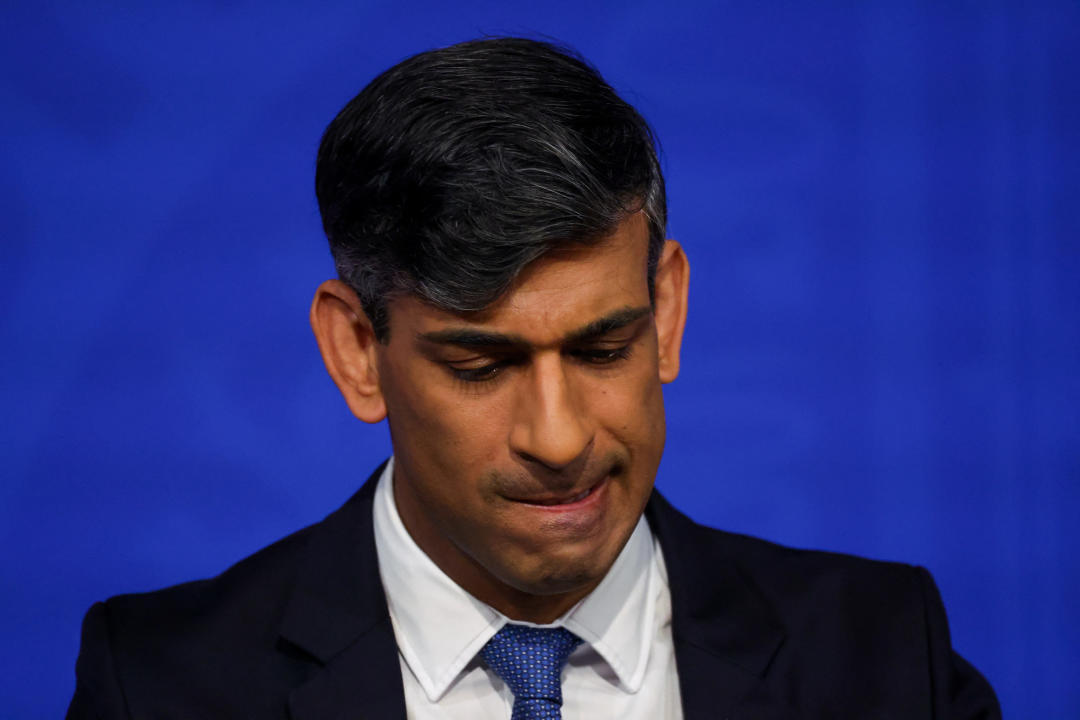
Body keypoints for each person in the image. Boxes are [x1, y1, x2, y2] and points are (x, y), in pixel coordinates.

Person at [67, 37, 1000, 719]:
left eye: (602, 350)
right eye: (481, 365)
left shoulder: (881, 661)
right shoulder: (160, 687)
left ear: (666, 312)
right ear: (357, 350)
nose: (559, 440)